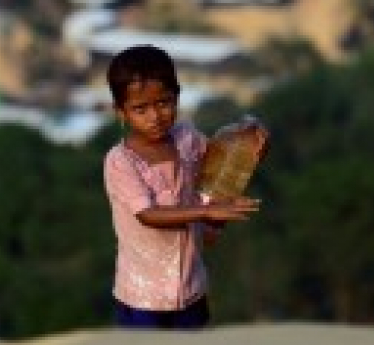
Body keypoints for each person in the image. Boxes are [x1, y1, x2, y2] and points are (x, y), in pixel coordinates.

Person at [104, 45, 259, 330]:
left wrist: (248, 139)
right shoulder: (121, 162)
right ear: (121, 111)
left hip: (190, 287)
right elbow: (148, 215)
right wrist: (206, 212)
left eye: (164, 102)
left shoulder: (186, 137)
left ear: (177, 96)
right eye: (140, 109)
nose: (155, 116)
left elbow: (216, 160)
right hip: (143, 296)